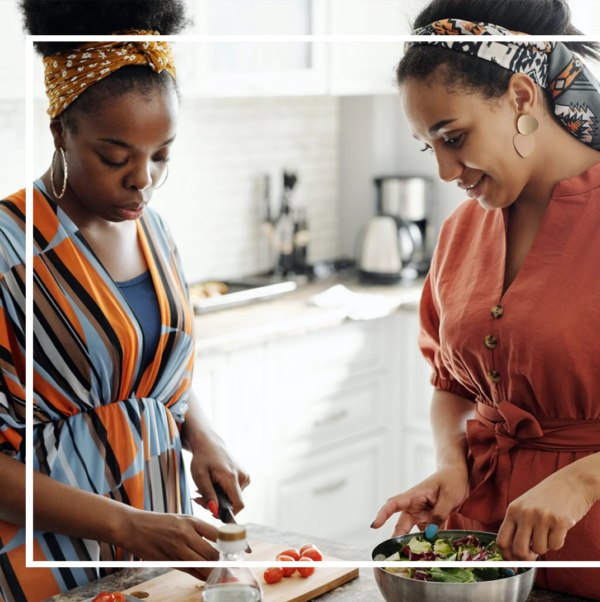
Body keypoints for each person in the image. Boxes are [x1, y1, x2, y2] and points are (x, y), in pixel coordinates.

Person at [0, 2, 250, 600]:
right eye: (116, 158)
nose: (144, 179)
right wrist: (125, 524)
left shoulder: (154, 231)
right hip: (42, 565)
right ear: (60, 129)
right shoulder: (9, 251)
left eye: (161, 155)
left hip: (149, 562)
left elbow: (154, 376)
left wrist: (201, 434)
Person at [371, 0, 600, 598]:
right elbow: (451, 386)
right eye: (430, 147)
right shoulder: (460, 232)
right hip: (486, 551)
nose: (447, 172)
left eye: (454, 138)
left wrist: (582, 480)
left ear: (523, 97)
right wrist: (452, 465)